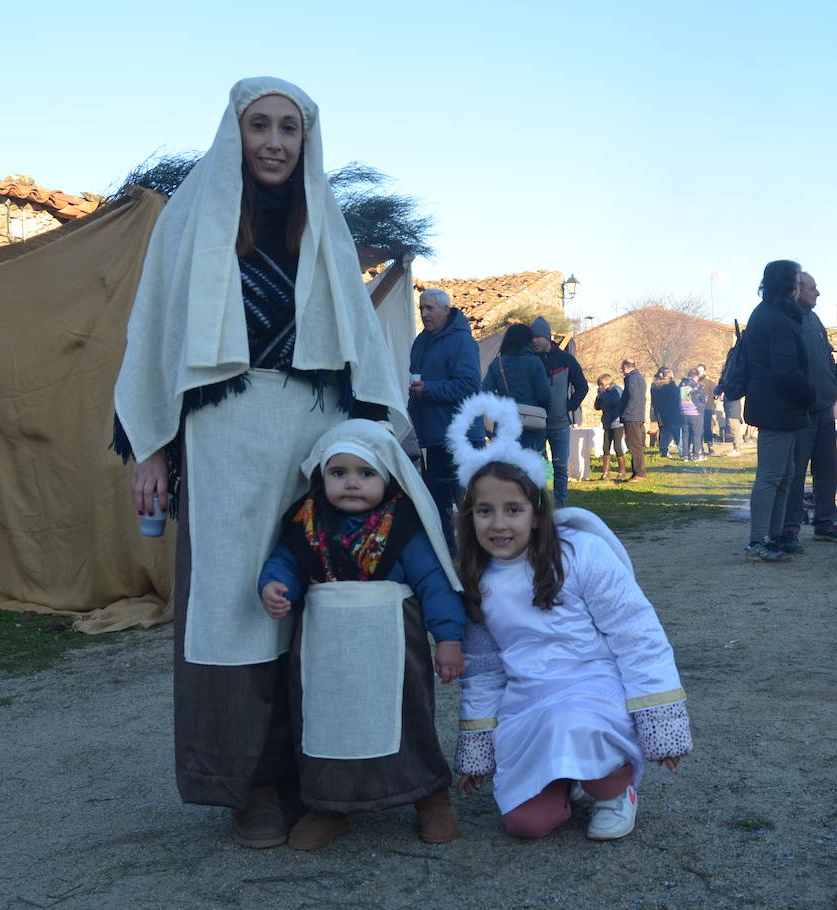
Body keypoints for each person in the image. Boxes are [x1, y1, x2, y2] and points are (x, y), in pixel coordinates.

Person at [112, 77, 410, 849]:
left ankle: (326, 778)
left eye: (288, 128)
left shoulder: (327, 225)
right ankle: (251, 788)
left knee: (320, 589)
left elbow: (360, 345)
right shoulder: (188, 220)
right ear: (235, 132)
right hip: (223, 435)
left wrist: (372, 433)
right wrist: (150, 444)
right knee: (236, 604)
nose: (274, 141)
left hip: (316, 433)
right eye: (259, 126)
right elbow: (154, 333)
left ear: (306, 140)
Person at [443, 394, 692, 841]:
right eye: (485, 511)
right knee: (526, 825)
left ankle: (614, 789)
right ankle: (566, 778)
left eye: (513, 510)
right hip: (528, 702)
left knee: (575, 724)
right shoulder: (476, 575)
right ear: (470, 516)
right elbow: (482, 669)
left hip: (591, 691)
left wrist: (660, 723)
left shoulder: (581, 554)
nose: (498, 524)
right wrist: (478, 748)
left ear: (538, 514)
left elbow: (636, 635)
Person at [256, 420, 464, 849]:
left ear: (387, 477)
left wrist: (448, 638)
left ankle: (428, 794)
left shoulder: (404, 526)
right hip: (325, 649)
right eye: (339, 473)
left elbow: (434, 583)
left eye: (365, 473)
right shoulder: (305, 522)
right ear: (321, 476)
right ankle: (330, 804)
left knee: (409, 718)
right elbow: (286, 563)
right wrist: (274, 586)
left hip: (393, 646)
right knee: (325, 721)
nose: (352, 483)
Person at [742, 259, 815, 562]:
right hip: (778, 406)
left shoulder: (770, 314)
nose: (801, 286)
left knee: (785, 475)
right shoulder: (776, 319)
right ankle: (758, 541)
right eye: (798, 281)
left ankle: (773, 536)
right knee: (772, 476)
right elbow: (785, 370)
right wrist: (809, 393)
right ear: (787, 284)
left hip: (778, 405)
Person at [409, 288, 481, 554]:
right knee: (437, 506)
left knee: (469, 505)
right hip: (433, 438)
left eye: (429, 308)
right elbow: (414, 386)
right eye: (421, 308)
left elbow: (470, 386)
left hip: (461, 438)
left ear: (445, 309)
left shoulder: (463, 342)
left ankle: (479, 561)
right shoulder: (420, 342)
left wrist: (429, 389)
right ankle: (450, 564)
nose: (424, 313)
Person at [781, 272, 837, 547]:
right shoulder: (787, 318)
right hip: (800, 409)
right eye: (813, 288)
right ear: (797, 290)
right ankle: (789, 528)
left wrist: (835, 382)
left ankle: (825, 522)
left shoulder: (813, 318)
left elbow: (825, 357)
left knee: (827, 468)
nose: (818, 293)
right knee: (796, 472)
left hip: (824, 407)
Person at [529, 316, 589, 506]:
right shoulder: (529, 360)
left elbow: (582, 386)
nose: (534, 341)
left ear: (548, 337)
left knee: (560, 467)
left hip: (559, 423)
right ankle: (541, 506)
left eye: (538, 337)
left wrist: (568, 407)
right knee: (537, 467)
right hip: (535, 424)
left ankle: (560, 506)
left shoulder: (566, 359)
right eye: (532, 338)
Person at [481, 323, 548, 454]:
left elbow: (485, 392)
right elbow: (544, 395)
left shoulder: (497, 363)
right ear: (527, 341)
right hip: (532, 423)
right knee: (532, 467)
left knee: (507, 469)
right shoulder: (535, 362)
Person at [618, 359, 649, 481]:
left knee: (634, 445)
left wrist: (626, 413)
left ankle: (639, 473)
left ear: (626, 367)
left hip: (632, 416)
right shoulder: (638, 377)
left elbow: (633, 397)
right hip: (637, 415)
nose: (621, 371)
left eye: (622, 368)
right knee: (636, 444)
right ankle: (637, 472)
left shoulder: (632, 378)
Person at [593, 374, 626, 480]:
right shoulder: (604, 393)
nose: (599, 387)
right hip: (607, 423)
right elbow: (597, 407)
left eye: (601, 384)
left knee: (617, 446)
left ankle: (622, 471)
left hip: (617, 423)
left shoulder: (616, 390)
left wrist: (603, 395)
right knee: (605, 447)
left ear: (606, 383)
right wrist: (598, 396)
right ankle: (606, 472)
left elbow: (612, 403)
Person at [650, 367, 682, 458]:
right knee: (677, 434)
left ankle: (663, 452)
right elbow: (677, 399)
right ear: (670, 377)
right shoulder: (671, 386)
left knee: (665, 433)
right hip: (673, 413)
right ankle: (683, 452)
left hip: (662, 413)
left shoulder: (656, 386)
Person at [677, 369, 705, 461]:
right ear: (695, 376)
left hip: (683, 413)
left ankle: (686, 455)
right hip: (695, 413)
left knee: (685, 434)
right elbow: (704, 399)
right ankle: (696, 455)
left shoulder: (681, 385)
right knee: (697, 434)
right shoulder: (697, 386)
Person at [696, 363, 719, 456]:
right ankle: (699, 448)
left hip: (707, 408)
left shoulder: (710, 381)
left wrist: (712, 405)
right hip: (697, 410)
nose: (699, 373)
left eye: (701, 371)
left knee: (707, 428)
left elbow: (715, 394)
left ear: (705, 371)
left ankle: (710, 447)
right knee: (699, 429)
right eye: (698, 371)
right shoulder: (695, 381)